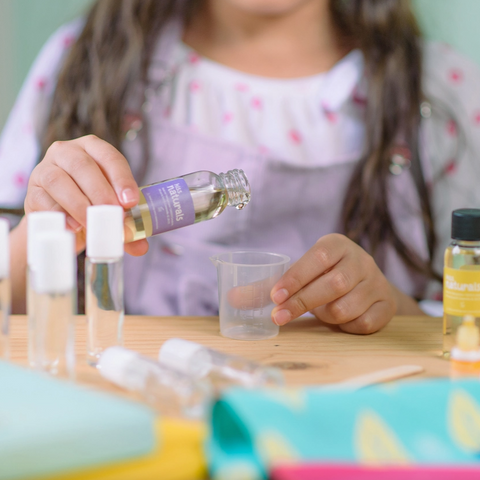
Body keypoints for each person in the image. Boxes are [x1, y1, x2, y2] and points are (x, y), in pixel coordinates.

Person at [1, 0, 480, 333]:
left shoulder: (439, 96)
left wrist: (392, 309)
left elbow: (463, 331)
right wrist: (42, 234)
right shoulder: (87, 62)